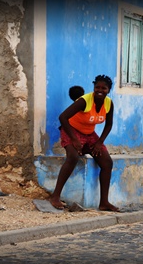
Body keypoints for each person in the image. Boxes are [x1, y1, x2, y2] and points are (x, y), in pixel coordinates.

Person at [48, 75, 119, 212]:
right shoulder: (84, 100)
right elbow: (63, 117)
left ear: (108, 90)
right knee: (73, 157)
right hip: (71, 131)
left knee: (107, 162)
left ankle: (104, 202)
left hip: (89, 134)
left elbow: (109, 124)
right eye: (97, 87)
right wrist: (74, 139)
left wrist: (99, 142)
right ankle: (55, 196)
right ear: (93, 87)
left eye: (103, 88)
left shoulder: (109, 103)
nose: (100, 90)